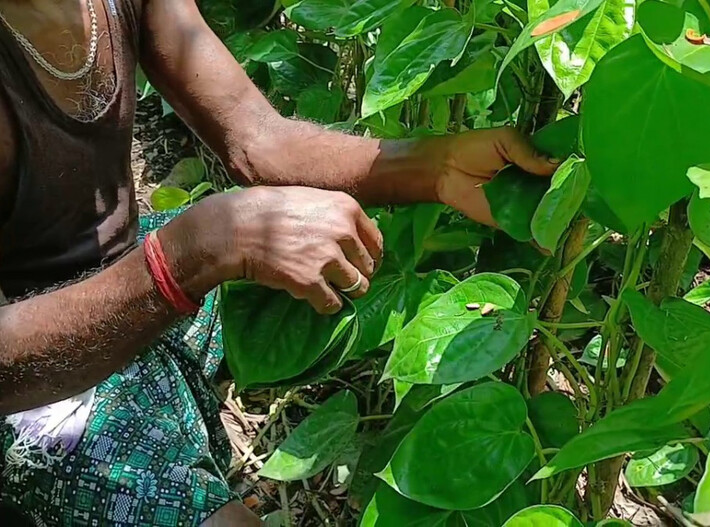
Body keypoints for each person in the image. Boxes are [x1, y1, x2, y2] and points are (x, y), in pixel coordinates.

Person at [0, 0, 557, 524]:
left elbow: (254, 136)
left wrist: (436, 169)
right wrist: (190, 256)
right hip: (29, 371)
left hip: (130, 278)